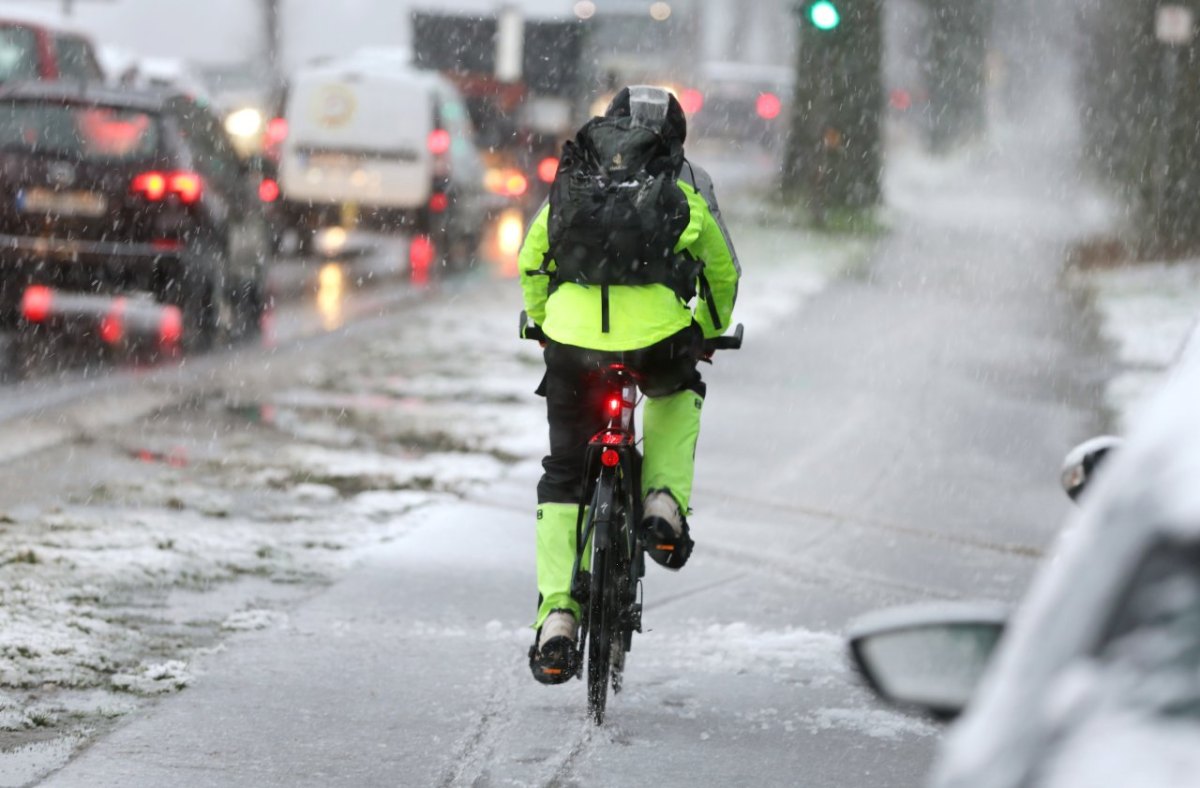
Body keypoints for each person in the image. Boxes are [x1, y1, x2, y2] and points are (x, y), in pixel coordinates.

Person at [518, 86, 740, 684]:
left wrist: (543, 323)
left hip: (573, 343)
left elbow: (532, 257)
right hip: (655, 339)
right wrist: (709, 330)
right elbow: (721, 270)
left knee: (565, 474)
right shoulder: (686, 182)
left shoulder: (575, 177)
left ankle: (557, 618)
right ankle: (662, 502)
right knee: (676, 388)